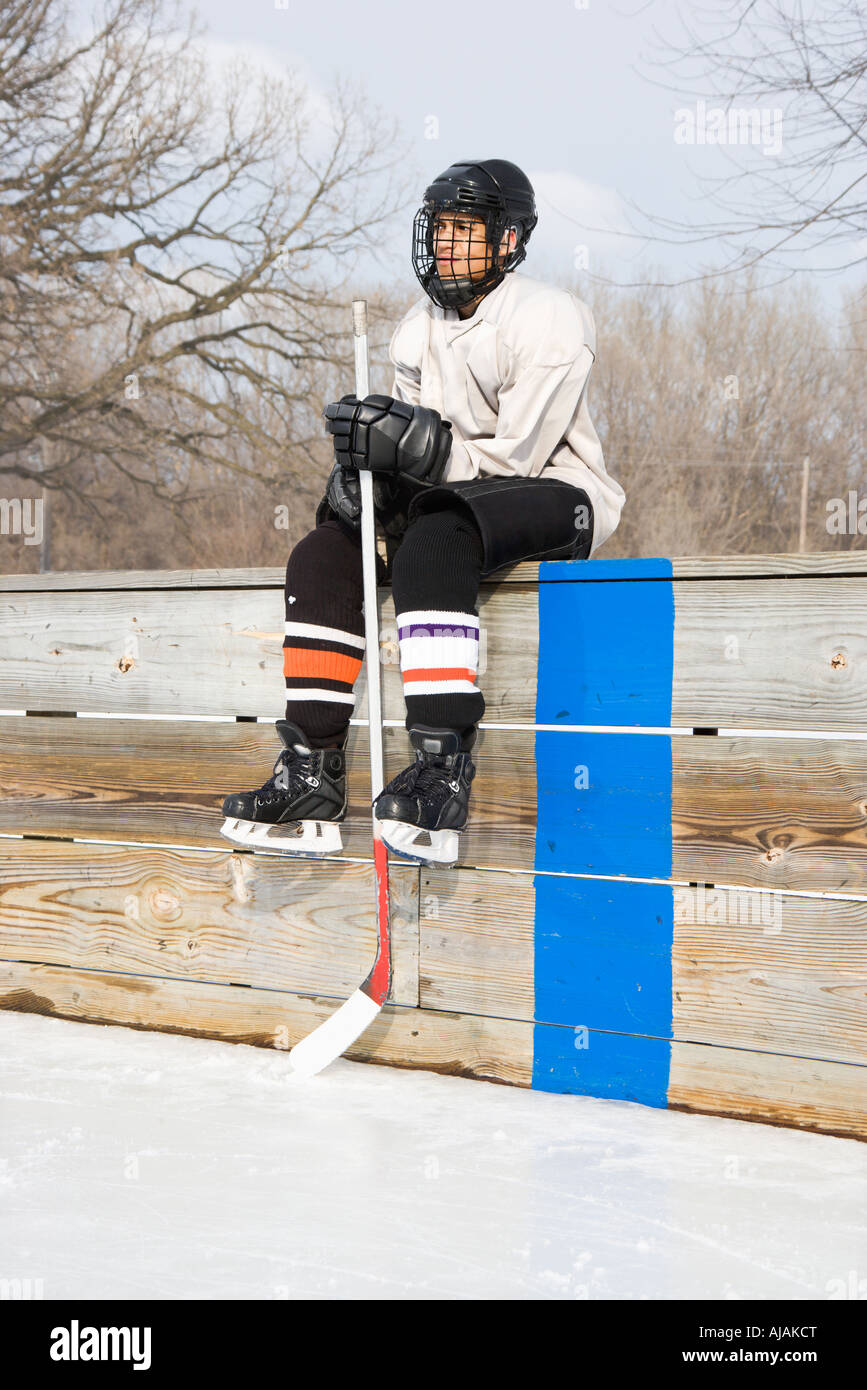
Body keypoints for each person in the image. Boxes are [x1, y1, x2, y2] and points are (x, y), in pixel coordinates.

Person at [220, 158, 626, 866]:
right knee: (322, 547)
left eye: (463, 227)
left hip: (561, 494)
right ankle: (312, 769)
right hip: (458, 494)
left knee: (434, 537)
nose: (444, 240)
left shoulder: (549, 318)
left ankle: (441, 774)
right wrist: (366, 480)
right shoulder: (416, 327)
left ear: (507, 241)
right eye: (438, 225)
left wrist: (418, 453)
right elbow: (428, 460)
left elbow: (516, 457)